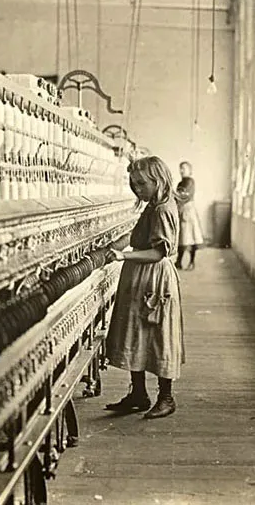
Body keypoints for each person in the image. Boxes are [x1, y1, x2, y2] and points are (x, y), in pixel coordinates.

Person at [104, 156, 185, 419]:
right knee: (136, 333)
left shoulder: (162, 209)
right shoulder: (153, 206)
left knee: (158, 336)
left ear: (158, 180)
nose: (136, 188)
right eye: (133, 183)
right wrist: (117, 243)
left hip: (154, 278)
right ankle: (138, 394)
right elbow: (141, 238)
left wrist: (123, 256)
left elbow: (158, 253)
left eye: (141, 183)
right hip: (140, 277)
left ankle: (166, 397)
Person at [174, 161, 204, 270]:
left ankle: (191, 261)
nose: (182, 170)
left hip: (188, 210)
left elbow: (184, 195)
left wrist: (174, 195)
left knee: (190, 237)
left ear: (189, 170)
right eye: (181, 168)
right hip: (182, 210)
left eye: (184, 168)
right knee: (182, 237)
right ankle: (179, 261)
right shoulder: (180, 183)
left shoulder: (190, 181)